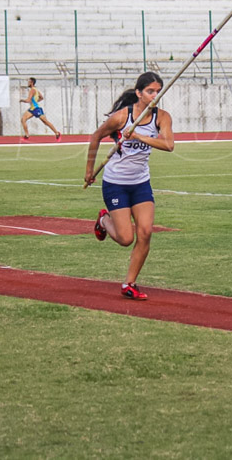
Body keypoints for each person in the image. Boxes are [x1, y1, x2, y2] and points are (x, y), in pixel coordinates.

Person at [84, 71, 174, 301]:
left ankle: (129, 283)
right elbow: (96, 137)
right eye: (150, 91)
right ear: (139, 93)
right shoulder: (121, 117)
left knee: (145, 232)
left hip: (140, 183)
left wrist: (139, 137)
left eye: (157, 91)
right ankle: (104, 219)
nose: (155, 95)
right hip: (116, 184)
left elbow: (169, 145)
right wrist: (88, 171)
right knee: (125, 239)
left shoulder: (162, 117)